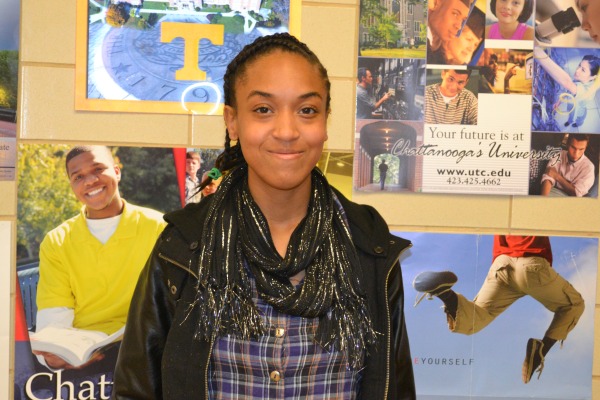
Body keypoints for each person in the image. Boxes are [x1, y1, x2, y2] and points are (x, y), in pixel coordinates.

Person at [112, 33, 416, 399]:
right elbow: (136, 390)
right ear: (233, 121)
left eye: (307, 110)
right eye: (263, 110)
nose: (287, 131)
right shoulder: (183, 246)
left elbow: (396, 389)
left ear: (325, 122)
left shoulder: (369, 246)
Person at [34, 146, 166, 386]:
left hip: (146, 354)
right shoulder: (57, 241)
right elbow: (54, 314)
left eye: (98, 169)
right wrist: (54, 358)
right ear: (72, 186)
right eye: (78, 177)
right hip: (83, 364)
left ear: (117, 171)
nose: (90, 181)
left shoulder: (158, 227)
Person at [413, 235, 584, 384]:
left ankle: (445, 293)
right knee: (573, 305)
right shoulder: (538, 200)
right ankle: (541, 350)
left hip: (501, 267)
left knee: (474, 320)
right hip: (531, 264)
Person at [534, 47, 600, 130]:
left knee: (580, 117)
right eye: (579, 65)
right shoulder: (580, 80)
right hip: (571, 104)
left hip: (579, 110)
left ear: (592, 77)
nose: (577, 70)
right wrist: (559, 101)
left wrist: (538, 54)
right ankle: (570, 121)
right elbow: (568, 91)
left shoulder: (587, 91)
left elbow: (567, 83)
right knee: (571, 115)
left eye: (583, 70)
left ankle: (578, 123)